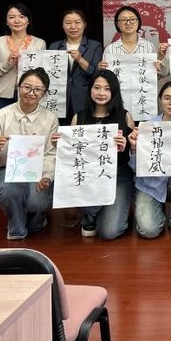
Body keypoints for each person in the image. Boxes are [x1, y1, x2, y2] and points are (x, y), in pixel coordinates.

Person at [0, 67, 58, 240]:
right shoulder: (1, 115)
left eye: (38, 89)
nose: (31, 93)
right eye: (27, 87)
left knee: (37, 202)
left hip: (36, 170)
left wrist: (46, 177)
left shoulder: (50, 118)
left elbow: (50, 154)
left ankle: (37, 220)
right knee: (8, 192)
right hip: (7, 168)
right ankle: (16, 226)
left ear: (44, 93)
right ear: (18, 86)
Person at [127, 81, 171, 238]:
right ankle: (156, 211)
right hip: (150, 185)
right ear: (160, 100)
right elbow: (135, 168)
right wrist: (133, 148)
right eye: (167, 98)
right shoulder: (147, 127)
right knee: (148, 231)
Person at [74, 70, 135, 240]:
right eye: (97, 87)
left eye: (107, 89)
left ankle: (110, 211)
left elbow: (133, 153)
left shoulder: (125, 116)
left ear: (114, 92)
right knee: (80, 195)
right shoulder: (79, 118)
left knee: (109, 232)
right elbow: (73, 155)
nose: (101, 93)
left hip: (118, 175)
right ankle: (90, 216)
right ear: (90, 89)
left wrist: (128, 145)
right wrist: (60, 144)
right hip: (88, 175)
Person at [0, 3, 46, 111]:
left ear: (28, 21)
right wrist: (7, 64)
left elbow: (42, 72)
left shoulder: (39, 43)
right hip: (3, 97)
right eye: (12, 17)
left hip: (31, 95)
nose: (17, 21)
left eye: (21, 17)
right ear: (7, 22)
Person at [49, 8, 103, 121]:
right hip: (60, 98)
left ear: (84, 25)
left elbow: (96, 73)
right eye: (68, 23)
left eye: (77, 22)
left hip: (84, 98)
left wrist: (80, 59)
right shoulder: (54, 46)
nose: (73, 26)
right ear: (63, 25)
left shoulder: (94, 46)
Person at [99, 5, 162, 74]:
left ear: (138, 22)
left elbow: (155, 74)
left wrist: (157, 66)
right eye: (123, 20)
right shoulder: (110, 49)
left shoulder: (149, 46)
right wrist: (102, 70)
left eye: (132, 19)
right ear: (117, 24)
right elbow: (106, 76)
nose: (128, 23)